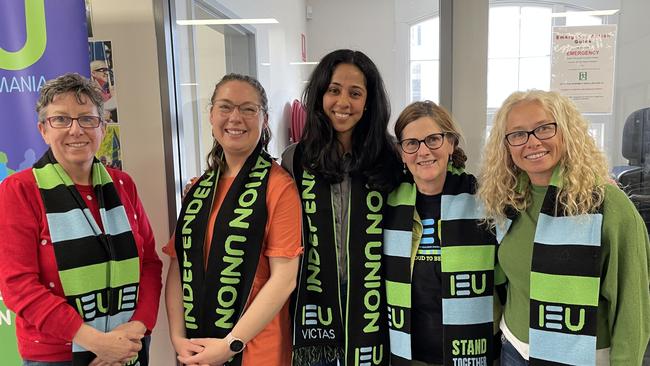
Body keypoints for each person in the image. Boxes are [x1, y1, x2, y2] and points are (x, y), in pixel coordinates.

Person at [0, 73, 163, 365]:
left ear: (102, 127)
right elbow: (17, 285)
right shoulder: (19, 191)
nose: (76, 130)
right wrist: (96, 342)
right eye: (61, 120)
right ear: (43, 130)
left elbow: (149, 263)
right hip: (57, 355)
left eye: (87, 119)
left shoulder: (123, 184)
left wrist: (137, 327)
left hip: (128, 346)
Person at [478, 89, 650, 365]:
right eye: (518, 134)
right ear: (506, 145)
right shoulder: (509, 201)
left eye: (544, 128)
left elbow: (632, 306)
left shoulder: (607, 204)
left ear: (566, 132)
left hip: (581, 356)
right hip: (515, 350)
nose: (531, 142)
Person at [164, 73, 302, 366]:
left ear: (264, 120)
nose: (235, 118)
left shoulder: (279, 187)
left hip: (256, 351)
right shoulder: (200, 188)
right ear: (212, 115)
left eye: (248, 109)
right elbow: (179, 265)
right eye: (225, 107)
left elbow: (284, 279)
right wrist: (178, 338)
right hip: (198, 349)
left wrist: (231, 343)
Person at [282, 49, 401, 366]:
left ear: (369, 101)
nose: (343, 103)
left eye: (355, 93)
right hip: (313, 297)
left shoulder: (392, 158)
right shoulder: (294, 158)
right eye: (334, 90)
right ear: (320, 94)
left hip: (375, 297)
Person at [383, 101, 498, 366]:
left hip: (474, 352)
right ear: (401, 152)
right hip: (408, 354)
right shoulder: (387, 203)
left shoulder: (486, 200)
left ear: (451, 143)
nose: (423, 151)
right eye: (411, 143)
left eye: (433, 139)